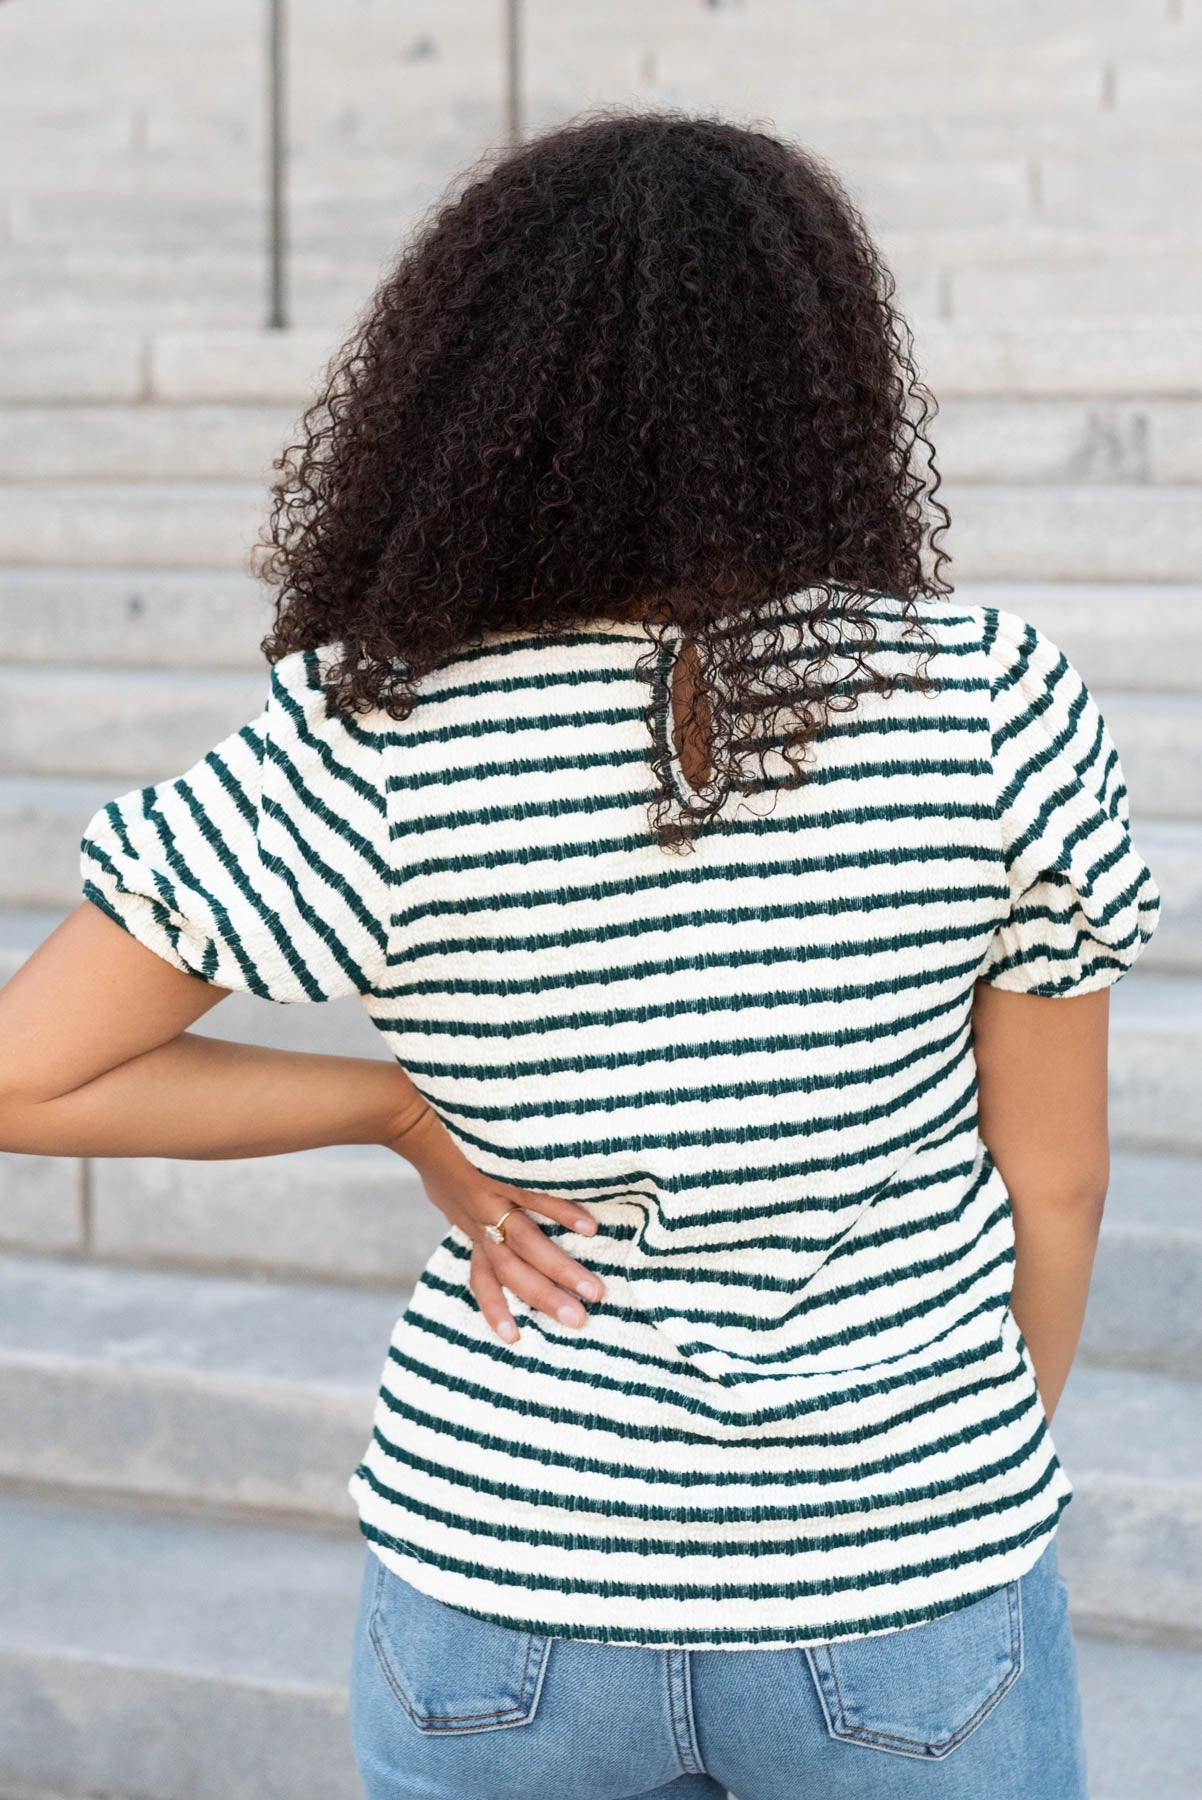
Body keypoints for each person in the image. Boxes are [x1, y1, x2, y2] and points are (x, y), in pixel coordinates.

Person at [0, 110, 1159, 1799]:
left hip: (504, 1595)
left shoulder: (377, 733)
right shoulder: (990, 701)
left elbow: (29, 1071)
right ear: (824, 383)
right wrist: (960, 1473)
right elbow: (1053, 1184)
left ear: (465, 390)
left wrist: (398, 1112)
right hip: (905, 1578)